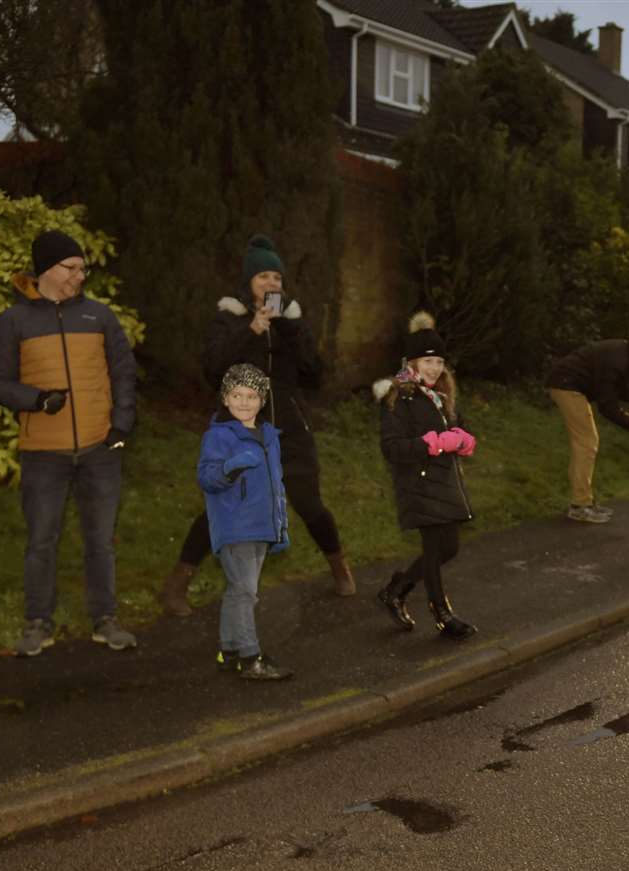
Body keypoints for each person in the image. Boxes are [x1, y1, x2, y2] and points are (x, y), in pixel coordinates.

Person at [158, 235, 353, 616]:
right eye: (263, 276)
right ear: (248, 282)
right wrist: (251, 329)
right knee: (225, 504)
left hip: (290, 428)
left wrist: (289, 330)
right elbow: (213, 368)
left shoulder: (292, 320)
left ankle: (340, 567)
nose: (271, 284)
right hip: (242, 429)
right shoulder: (229, 317)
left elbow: (315, 375)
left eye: (277, 278)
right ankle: (176, 585)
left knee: (308, 503)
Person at [0, 229, 139, 657]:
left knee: (101, 541)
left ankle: (105, 620)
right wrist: (36, 400)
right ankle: (38, 623)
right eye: (71, 268)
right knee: (41, 541)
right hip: (43, 454)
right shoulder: (13, 322)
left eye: (82, 268)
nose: (79, 276)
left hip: (100, 449)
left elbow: (124, 372)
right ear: (47, 270)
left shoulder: (100, 317)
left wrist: (121, 424)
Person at [373, 313, 478, 640]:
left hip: (444, 483)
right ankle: (442, 614)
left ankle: (397, 589)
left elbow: (461, 427)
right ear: (413, 362)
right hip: (417, 483)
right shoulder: (398, 397)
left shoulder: (442, 395)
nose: (434, 368)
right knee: (435, 549)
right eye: (428, 361)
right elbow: (391, 448)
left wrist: (463, 439)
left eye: (438, 362)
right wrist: (431, 444)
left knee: (449, 549)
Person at [197, 364, 292, 681]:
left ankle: (229, 651)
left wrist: (281, 526)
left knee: (238, 591)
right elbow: (207, 477)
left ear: (262, 400)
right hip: (235, 525)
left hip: (262, 526)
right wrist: (230, 468)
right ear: (225, 398)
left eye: (251, 396)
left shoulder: (269, 436)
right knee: (245, 592)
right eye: (237, 395)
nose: (244, 402)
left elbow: (276, 483)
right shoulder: (219, 436)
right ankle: (251, 657)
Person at [544, 335, 629, 523]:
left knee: (586, 443)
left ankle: (583, 501)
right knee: (586, 443)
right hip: (566, 385)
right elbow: (607, 407)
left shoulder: (626, 355)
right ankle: (580, 505)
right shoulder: (618, 360)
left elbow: (613, 386)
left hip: (571, 385)